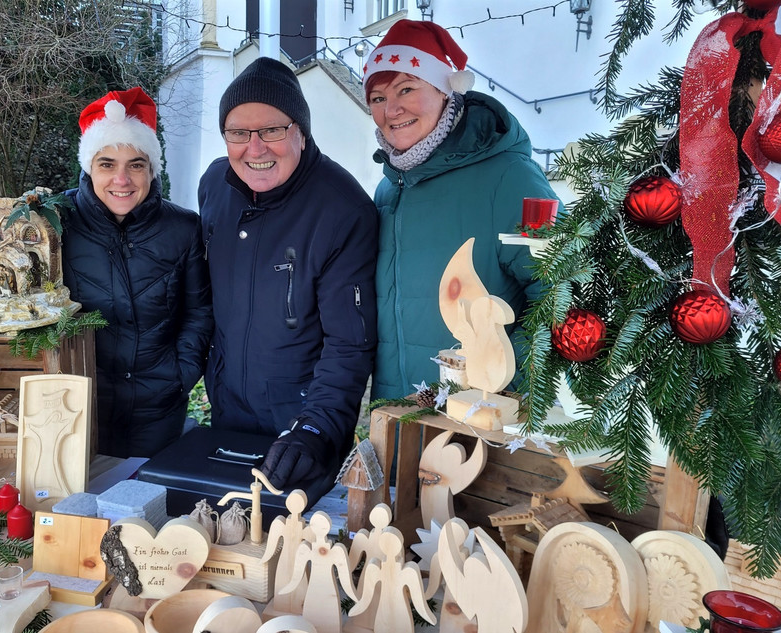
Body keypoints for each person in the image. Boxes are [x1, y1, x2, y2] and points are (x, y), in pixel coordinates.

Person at [198, 58, 378, 490]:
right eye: (239, 133)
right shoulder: (215, 186)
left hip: (300, 429)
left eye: (272, 130)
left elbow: (349, 345)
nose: (254, 148)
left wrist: (315, 431)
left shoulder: (342, 210)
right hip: (227, 415)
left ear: (300, 130)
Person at [363, 20, 560, 400]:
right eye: (377, 98)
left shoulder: (510, 178)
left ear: (445, 90)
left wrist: (499, 380)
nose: (392, 109)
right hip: (399, 415)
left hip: (483, 419)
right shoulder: (387, 192)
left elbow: (561, 290)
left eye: (407, 88)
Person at [61, 87, 213, 458]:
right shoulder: (57, 224)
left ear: (151, 169)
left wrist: (179, 376)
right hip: (79, 406)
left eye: (136, 164)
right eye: (107, 164)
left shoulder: (183, 229)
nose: (122, 179)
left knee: (152, 507)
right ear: (89, 167)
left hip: (158, 407)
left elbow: (199, 312)